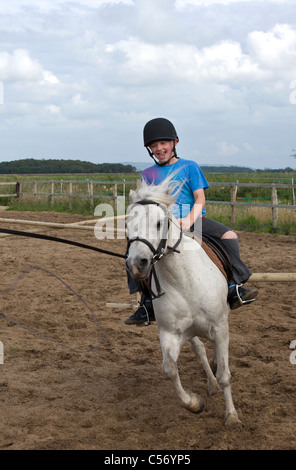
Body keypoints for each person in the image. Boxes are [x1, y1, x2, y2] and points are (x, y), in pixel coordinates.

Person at [125, 117, 258, 325]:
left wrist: (188, 219)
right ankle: (146, 303)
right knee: (135, 250)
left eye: (163, 143)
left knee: (229, 236)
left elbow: (200, 198)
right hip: (161, 226)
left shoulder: (190, 167)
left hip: (193, 219)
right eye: (154, 145)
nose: (159, 148)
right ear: (149, 149)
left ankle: (234, 286)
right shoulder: (148, 173)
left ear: (174, 143)